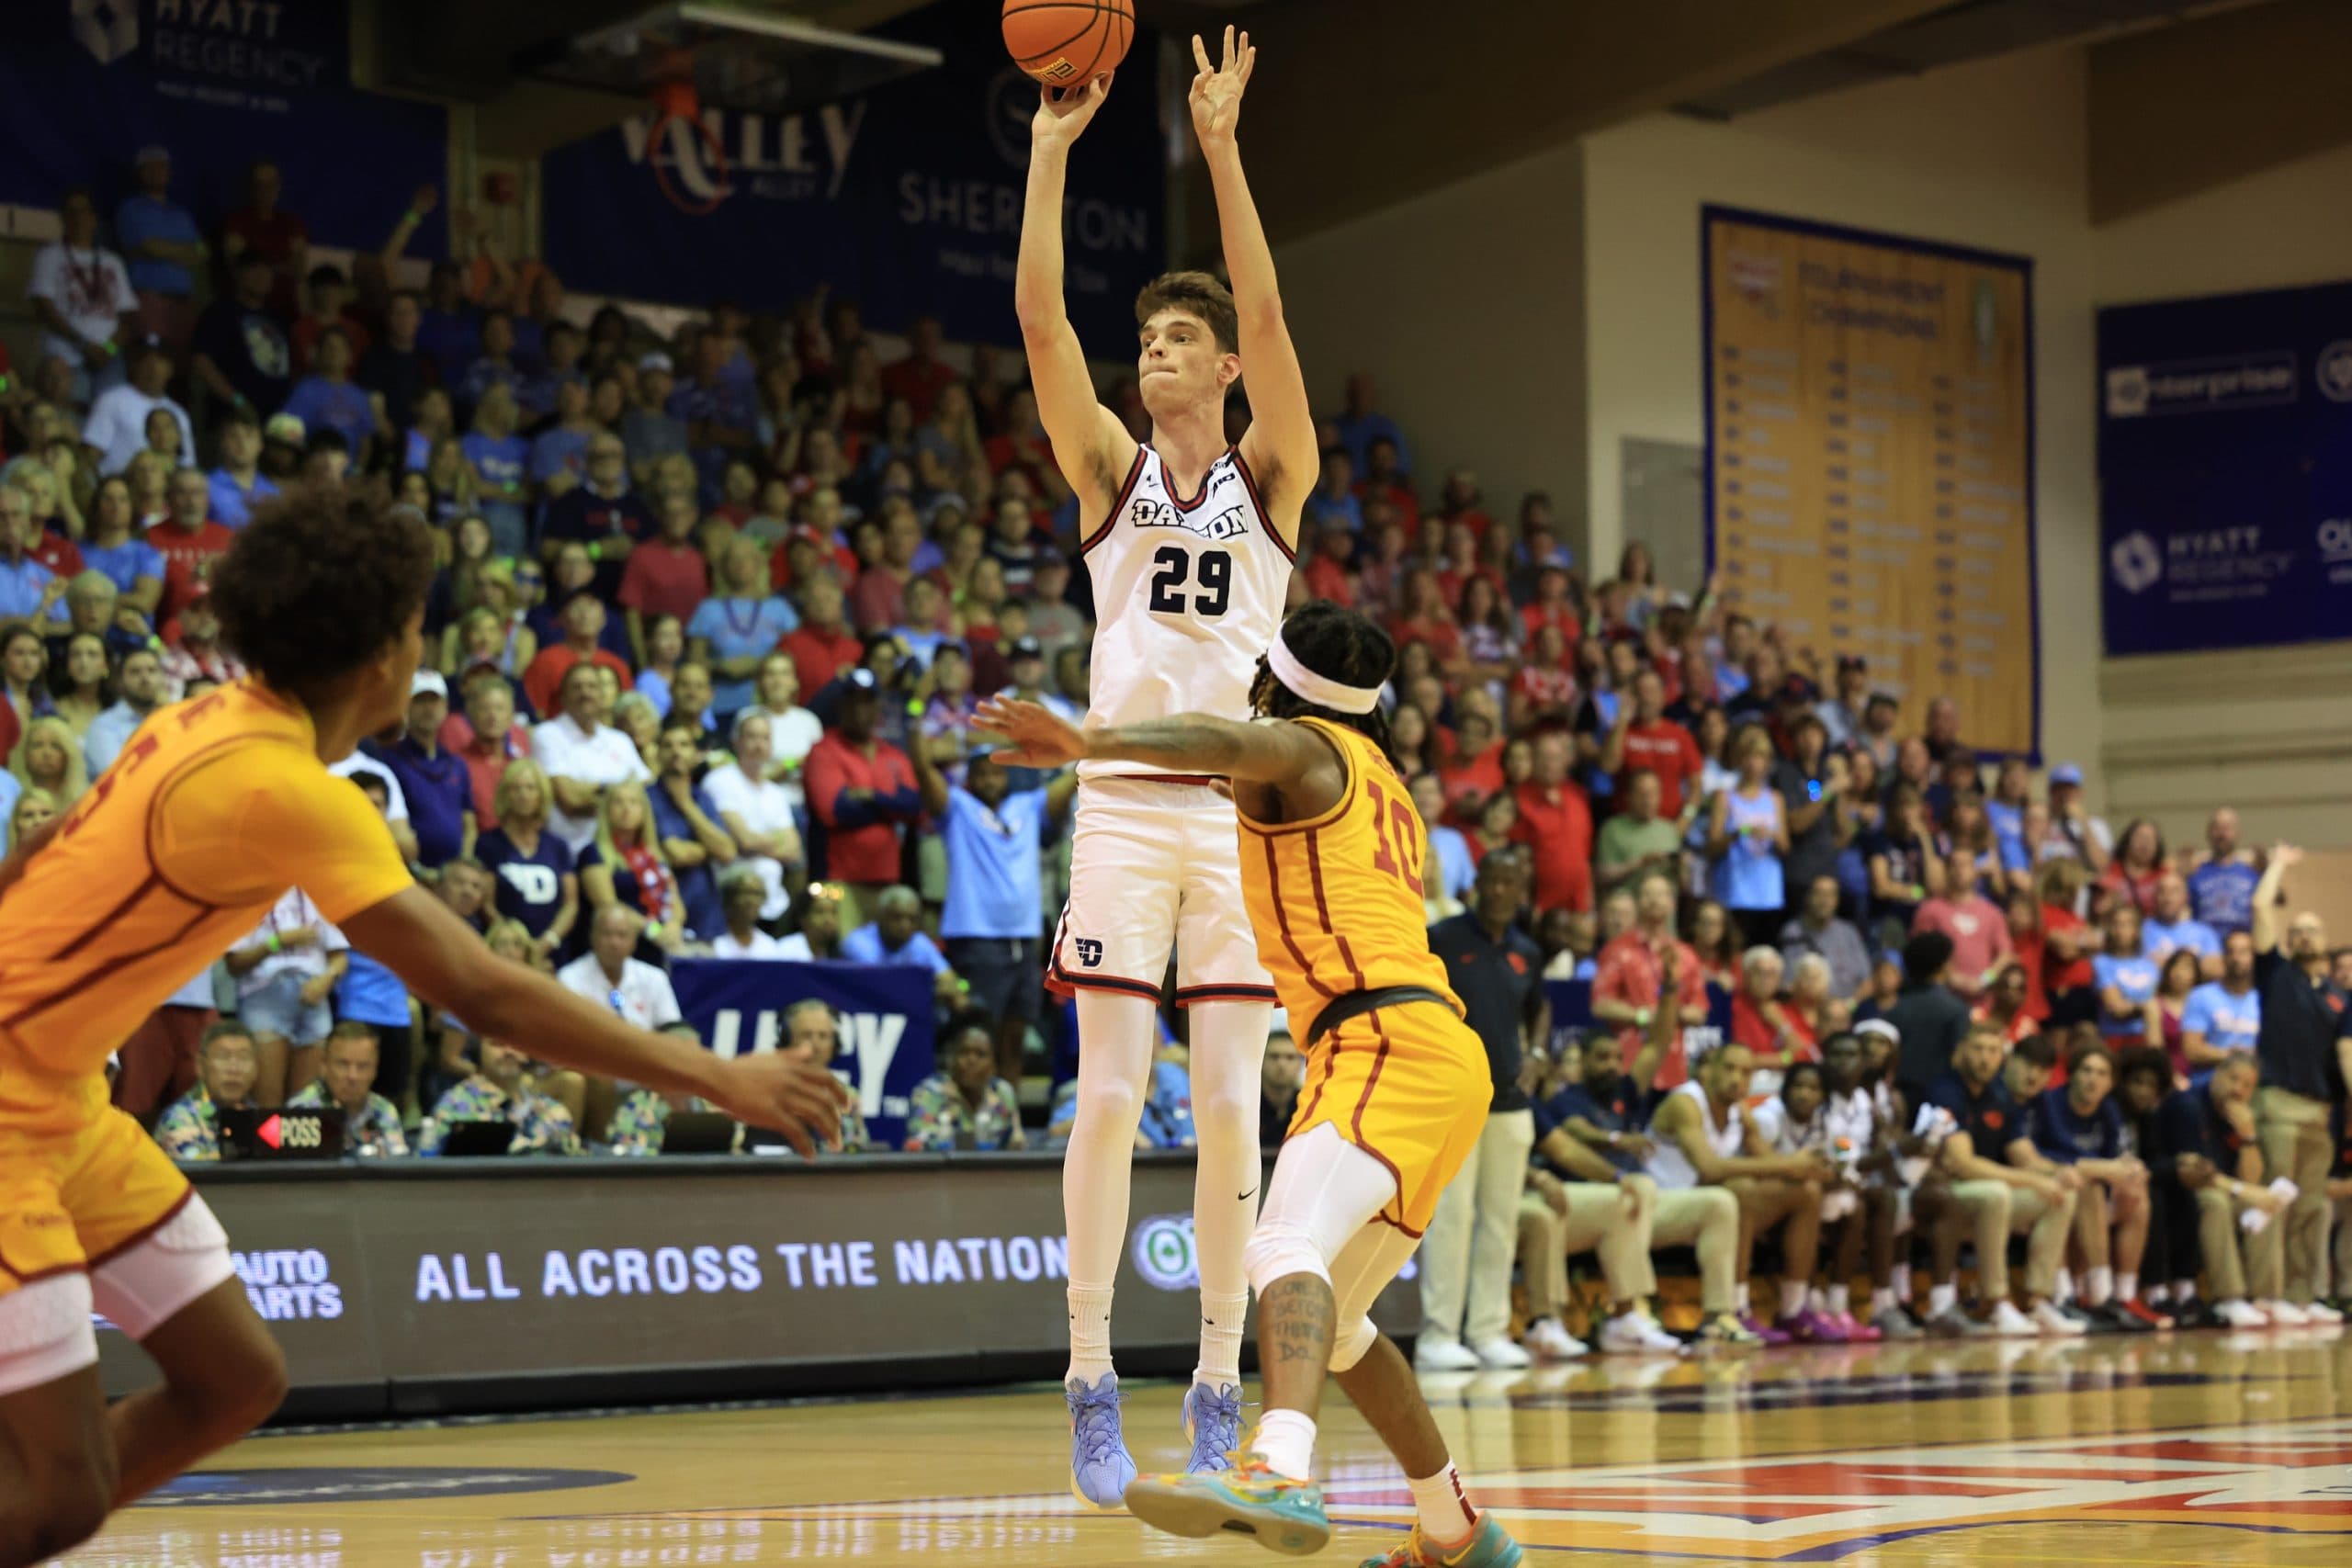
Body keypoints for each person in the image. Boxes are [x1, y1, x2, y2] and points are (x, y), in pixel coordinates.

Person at [0, 487, 860, 1561]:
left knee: (235, 1381)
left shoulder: (204, 715)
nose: (422, 648)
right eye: (416, 629)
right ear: (383, 660)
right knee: (59, 1495)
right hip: (9, 1114)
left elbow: (35, 856)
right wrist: (713, 1075)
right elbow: (479, 989)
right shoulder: (290, 791)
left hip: (62, 1103)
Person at [978, 584, 1521, 1565]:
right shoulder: (1382, 778)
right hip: (1441, 1056)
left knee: (1278, 1245)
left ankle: (1277, 1464)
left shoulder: (1303, 750)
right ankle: (1455, 1529)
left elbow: (1225, 742)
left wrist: (1087, 739)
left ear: (1278, 682)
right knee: (1340, 1324)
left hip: (1381, 1041)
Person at [1015, 28, 1316, 1502]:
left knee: (1236, 1106)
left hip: (1236, 814)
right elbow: (1039, 323)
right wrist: (1049, 154)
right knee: (1111, 1098)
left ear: (1225, 367)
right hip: (1127, 808)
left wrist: (1221, 148)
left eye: (1178, 341)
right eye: (1146, 341)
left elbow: (1265, 302)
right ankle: (1087, 1373)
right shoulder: (1106, 469)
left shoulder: (1273, 471)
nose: (1155, 352)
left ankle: (1212, 1378)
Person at [1416, 855, 1548, 1371]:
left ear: (1520, 890)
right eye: (1491, 880)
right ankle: (1438, 1335)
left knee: (1500, 1220)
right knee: (1451, 1218)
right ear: (1475, 886)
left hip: (1511, 1102)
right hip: (1455, 1099)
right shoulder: (1443, 938)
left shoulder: (1526, 951)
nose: (1498, 890)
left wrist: (1537, 1053)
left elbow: (1540, 1007)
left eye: (1509, 882)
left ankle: (1488, 1330)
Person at [1647, 1037, 1836, 1342]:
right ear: (1709, 1071)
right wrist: (1790, 1164)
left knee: (1807, 1193)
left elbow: (1772, 1162)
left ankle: (1794, 1309)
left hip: (1710, 1207)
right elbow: (1709, 1168)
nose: (1737, 1078)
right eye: (1729, 1069)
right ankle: (1736, 1308)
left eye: (1746, 1072)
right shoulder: (1686, 1103)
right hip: (1663, 1204)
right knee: (1740, 1191)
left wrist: (1809, 1168)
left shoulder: (1740, 1112)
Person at [915, 742, 1077, 1083]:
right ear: (970, 779)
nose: (989, 780)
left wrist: (1087, 747)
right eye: (981, 774)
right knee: (977, 1036)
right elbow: (923, 770)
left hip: (1025, 940)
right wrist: (918, 728)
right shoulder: (958, 807)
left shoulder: (1026, 806)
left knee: (1015, 1036)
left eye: (996, 773)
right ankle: (971, 1108)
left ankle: (1007, 1109)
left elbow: (1072, 778)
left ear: (1006, 777)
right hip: (977, 940)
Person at [1916, 1029, 2085, 1336]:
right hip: (1943, 1192)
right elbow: (1963, 1164)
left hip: (1984, 1194)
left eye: (1993, 1051)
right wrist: (2033, 1179)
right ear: (1961, 1052)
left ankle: (2038, 1300)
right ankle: (1997, 1302)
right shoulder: (1945, 1091)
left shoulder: (1999, 1097)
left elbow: (2023, 1155)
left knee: (2060, 1196)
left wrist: (2057, 1173)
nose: (1985, 1058)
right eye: (1978, 1049)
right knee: (1996, 1193)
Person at [2246, 845, 2348, 1322]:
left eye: (2313, 930)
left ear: (2326, 941)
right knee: (2276, 1196)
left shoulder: (2339, 998)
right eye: (2298, 931)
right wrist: (2279, 865)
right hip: (2279, 1106)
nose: (2305, 936)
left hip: (2320, 1114)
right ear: (2289, 941)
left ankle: (2301, 1296)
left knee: (2310, 1207)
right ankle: (2266, 1295)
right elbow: (2259, 907)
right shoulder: (2276, 975)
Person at [2141, 1051, 2291, 1327]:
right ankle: (2229, 1298)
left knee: (2265, 1204)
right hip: (2177, 1191)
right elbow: (2198, 1173)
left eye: (2247, 1085)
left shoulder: (2237, 1115)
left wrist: (2248, 1136)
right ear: (2217, 1074)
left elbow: (2251, 1179)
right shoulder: (2187, 1105)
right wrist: (2247, 1191)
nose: (2238, 1089)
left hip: (2221, 1187)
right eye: (2233, 1079)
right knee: (2216, 1202)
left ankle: (2266, 1297)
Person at [2025, 1044, 2167, 1331]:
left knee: (2137, 1195)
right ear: (2072, 1075)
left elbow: (2119, 1158)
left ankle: (2125, 1295)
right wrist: (2099, 1168)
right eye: (2086, 1070)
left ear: (2111, 1082)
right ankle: (2082, 1295)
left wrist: (2131, 1169)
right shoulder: (2049, 1103)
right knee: (2085, 1188)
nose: (2093, 1079)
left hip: (2090, 1204)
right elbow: (2044, 1157)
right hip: (2050, 1191)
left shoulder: (2109, 1110)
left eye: (2102, 1073)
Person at [28, 188, 133, 399]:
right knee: (70, 415)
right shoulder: (48, 256)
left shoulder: (112, 261)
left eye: (84, 211)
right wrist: (84, 345)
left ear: (94, 218)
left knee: (110, 413)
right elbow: (43, 309)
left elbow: (128, 316)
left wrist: (108, 349)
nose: (78, 218)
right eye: (71, 212)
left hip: (109, 359)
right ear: (63, 218)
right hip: (66, 358)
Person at [416, 1036, 582, 1157]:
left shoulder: (554, 1111)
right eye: (497, 1043)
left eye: (516, 1044)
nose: (509, 1051)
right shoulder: (455, 1105)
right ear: (480, 1050)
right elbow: (430, 1172)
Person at [903, 1014, 1028, 1152]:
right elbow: (918, 1144)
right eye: (964, 1052)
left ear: (993, 1064)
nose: (971, 1060)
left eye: (980, 1054)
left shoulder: (1002, 1092)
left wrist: (1017, 1140)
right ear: (952, 1060)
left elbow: (1015, 1140)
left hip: (992, 1166)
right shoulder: (929, 1093)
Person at [284, 1023, 410, 1158]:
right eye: (343, 1064)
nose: (352, 1076)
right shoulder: (301, 1111)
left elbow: (396, 1165)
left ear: (375, 1071)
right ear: (324, 1065)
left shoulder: (384, 1111)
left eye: (363, 1066)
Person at [152, 1022, 261, 1164]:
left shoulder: (259, 1117)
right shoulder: (178, 1118)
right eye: (223, 1057)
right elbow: (201, 1172)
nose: (234, 1068)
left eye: (243, 1058)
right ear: (200, 1066)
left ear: (256, 1069)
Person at [1887, 932, 1972, 1112]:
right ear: (1944, 966)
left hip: (1896, 1095)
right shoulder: (1956, 1009)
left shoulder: (1894, 1007)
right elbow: (1959, 1058)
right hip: (1940, 1098)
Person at [2182, 928, 2263, 1068]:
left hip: (2254, 1076)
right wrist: (2232, 1055)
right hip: (2209, 1076)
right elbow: (2192, 1050)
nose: (2236, 958)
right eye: (2231, 952)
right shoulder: (2201, 996)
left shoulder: (2263, 999)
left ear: (2254, 957)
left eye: (2243, 952)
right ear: (2223, 957)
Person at [1260, 1031, 1303, 1151]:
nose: (1281, 1064)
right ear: (1260, 1060)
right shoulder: (1245, 1108)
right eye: (1274, 1056)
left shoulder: (1309, 1106)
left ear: (1301, 1063)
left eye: (1290, 1057)